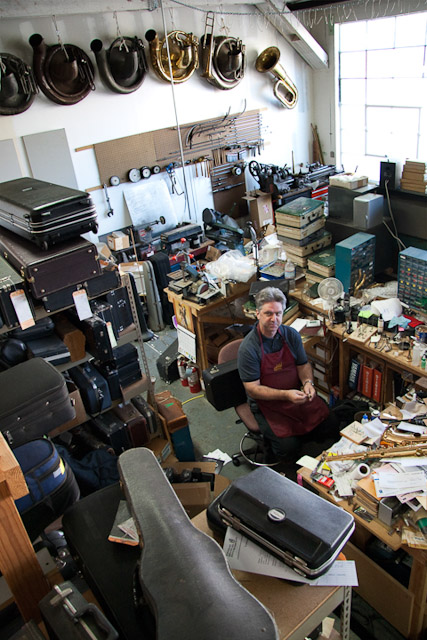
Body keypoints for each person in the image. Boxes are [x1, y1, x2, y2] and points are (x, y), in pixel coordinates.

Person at [237, 286, 337, 460]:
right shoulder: (249, 348)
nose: (274, 319)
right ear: (257, 313)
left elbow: (303, 365)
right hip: (267, 404)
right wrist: (286, 395)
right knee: (288, 449)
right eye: (268, 313)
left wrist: (308, 383)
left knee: (331, 422)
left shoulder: (291, 335)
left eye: (278, 313)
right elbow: (253, 389)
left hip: (295, 395)